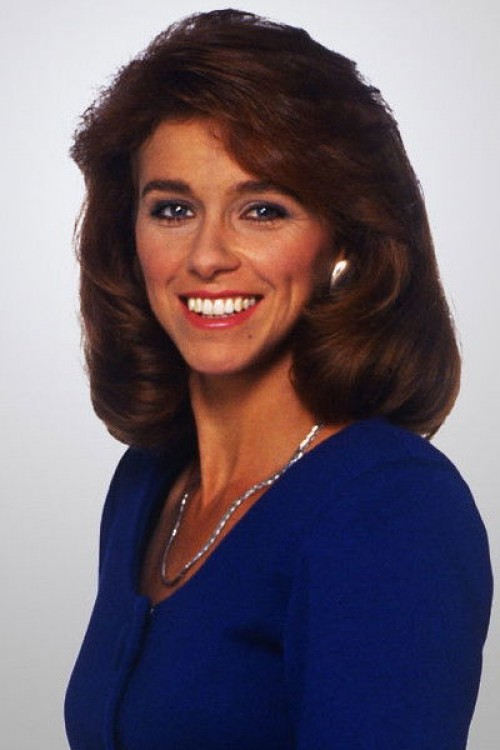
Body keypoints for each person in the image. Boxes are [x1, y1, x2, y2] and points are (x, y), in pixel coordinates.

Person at [64, 9, 492, 749]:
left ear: (342, 238)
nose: (207, 256)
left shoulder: (390, 509)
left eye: (262, 210)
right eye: (173, 209)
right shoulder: (149, 484)